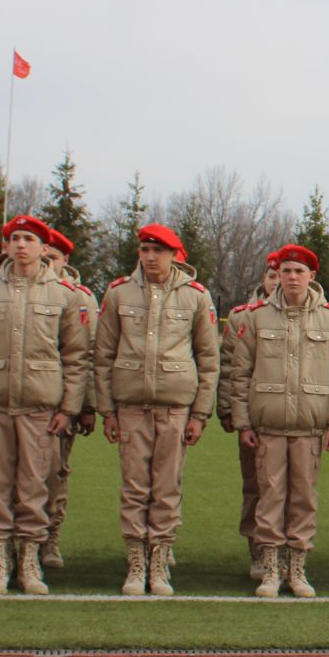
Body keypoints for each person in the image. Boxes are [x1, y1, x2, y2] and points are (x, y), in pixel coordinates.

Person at [0, 215, 87, 594]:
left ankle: (30, 558)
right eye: (14, 238)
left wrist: (68, 408)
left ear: (44, 248)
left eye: (29, 239)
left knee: (34, 485)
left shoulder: (64, 294)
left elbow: (76, 358)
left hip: (40, 408)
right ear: (6, 245)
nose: (20, 245)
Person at [94, 223, 220, 596]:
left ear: (174, 255)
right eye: (145, 250)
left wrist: (200, 414)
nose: (150, 257)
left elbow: (209, 359)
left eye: (158, 251)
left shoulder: (196, 296)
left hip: (174, 408)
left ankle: (160, 561)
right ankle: (136, 562)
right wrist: (108, 411)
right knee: (134, 487)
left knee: (166, 488)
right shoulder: (118, 293)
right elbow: (102, 355)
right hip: (131, 405)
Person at [230, 244, 329, 598]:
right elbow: (241, 374)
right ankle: (270, 570)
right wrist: (243, 423)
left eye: (299, 272)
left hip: (310, 427)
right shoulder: (255, 317)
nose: (292, 278)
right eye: (286, 271)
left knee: (303, 499)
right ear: (277, 276)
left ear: (312, 276)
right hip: (268, 425)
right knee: (269, 497)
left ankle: (297, 570)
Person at [219, 251, 280, 582]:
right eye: (272, 275)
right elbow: (230, 367)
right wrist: (229, 410)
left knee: (292, 490)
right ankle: (258, 548)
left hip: (293, 417)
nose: (278, 281)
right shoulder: (243, 317)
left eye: (283, 274)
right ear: (264, 279)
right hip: (256, 416)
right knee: (256, 486)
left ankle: (284, 549)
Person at [39, 228, 98, 570]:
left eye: (53, 259)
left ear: (65, 261)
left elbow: (87, 355)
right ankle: (21, 541)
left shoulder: (81, 297)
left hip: (64, 401)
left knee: (55, 472)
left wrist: (85, 406)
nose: (47, 264)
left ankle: (49, 538)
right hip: (29, 396)